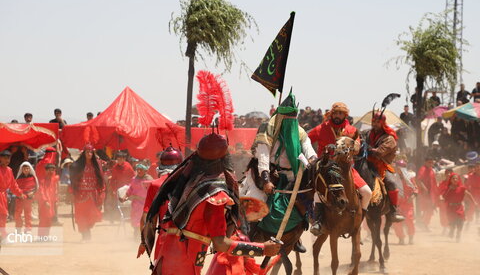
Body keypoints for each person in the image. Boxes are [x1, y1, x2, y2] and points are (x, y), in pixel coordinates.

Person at [145, 132, 281, 275]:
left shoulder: (187, 181)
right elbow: (220, 243)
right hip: (184, 263)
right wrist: (262, 249)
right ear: (224, 159)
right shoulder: (215, 194)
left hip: (165, 255)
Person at [240, 91, 317, 253]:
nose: (291, 122)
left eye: (293, 118)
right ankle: (246, 237)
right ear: (281, 116)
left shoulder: (299, 131)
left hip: (291, 175)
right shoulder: (268, 128)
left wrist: (312, 160)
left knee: (305, 202)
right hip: (265, 172)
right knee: (256, 201)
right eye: (288, 118)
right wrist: (266, 180)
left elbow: (308, 149)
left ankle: (295, 237)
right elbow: (263, 156)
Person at [308, 102, 372, 235]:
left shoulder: (352, 130)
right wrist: (312, 156)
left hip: (347, 170)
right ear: (332, 114)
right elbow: (306, 141)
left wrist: (351, 146)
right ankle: (318, 222)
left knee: (367, 192)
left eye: (340, 113)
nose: (337, 115)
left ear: (345, 115)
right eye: (335, 113)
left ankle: (357, 223)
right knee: (317, 193)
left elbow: (358, 147)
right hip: (326, 170)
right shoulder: (321, 128)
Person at [137, 146, 183, 262]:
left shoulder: (155, 185)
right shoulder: (190, 184)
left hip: (164, 239)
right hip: (187, 242)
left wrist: (144, 243)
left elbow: (146, 218)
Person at [367, 111, 404, 222]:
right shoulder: (367, 133)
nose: (375, 123)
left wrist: (367, 148)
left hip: (382, 166)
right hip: (366, 164)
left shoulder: (390, 138)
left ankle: (394, 211)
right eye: (374, 121)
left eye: (378, 122)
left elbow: (380, 152)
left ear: (383, 122)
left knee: (391, 183)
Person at [70, 144, 105, 241]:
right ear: (83, 153)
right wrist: (72, 191)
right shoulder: (78, 165)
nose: (89, 154)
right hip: (80, 195)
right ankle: (85, 235)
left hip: (92, 195)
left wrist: (101, 193)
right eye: (87, 152)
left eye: (91, 152)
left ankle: (87, 232)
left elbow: (101, 179)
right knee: (81, 216)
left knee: (91, 216)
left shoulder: (97, 165)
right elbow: (73, 179)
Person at [442, 173, 477, 242]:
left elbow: (468, 194)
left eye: (456, 178)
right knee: (452, 222)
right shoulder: (448, 189)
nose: (455, 180)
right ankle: (452, 230)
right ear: (451, 180)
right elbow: (444, 197)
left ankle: (458, 234)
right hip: (450, 208)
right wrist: (448, 190)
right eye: (453, 178)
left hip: (459, 207)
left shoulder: (462, 188)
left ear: (458, 180)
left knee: (461, 221)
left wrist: (474, 202)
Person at [120, 163, 153, 237]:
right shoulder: (134, 179)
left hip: (145, 204)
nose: (139, 171)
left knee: (143, 221)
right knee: (135, 222)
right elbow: (130, 190)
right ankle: (136, 236)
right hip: (135, 205)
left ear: (145, 171)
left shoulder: (149, 180)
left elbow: (152, 193)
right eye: (138, 169)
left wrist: (137, 197)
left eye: (141, 170)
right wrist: (124, 197)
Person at [0, 150, 26, 239]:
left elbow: (13, 184)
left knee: (3, 216)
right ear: (0, 158)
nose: (7, 160)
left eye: (8, 158)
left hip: (3, 197)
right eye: (5, 158)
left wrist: (20, 193)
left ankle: (3, 236)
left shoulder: (9, 170)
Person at [392, 160, 418, 245]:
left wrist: (413, 196)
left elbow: (415, 189)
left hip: (407, 203)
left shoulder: (410, 178)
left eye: (398, 168)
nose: (397, 169)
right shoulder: (394, 177)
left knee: (409, 219)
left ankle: (411, 237)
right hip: (397, 203)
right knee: (396, 221)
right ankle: (401, 238)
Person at [14, 161, 39, 233]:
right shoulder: (18, 178)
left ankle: (28, 229)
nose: (26, 170)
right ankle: (18, 228)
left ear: (30, 169)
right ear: (22, 169)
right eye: (24, 169)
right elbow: (16, 188)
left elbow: (36, 187)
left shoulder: (33, 178)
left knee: (28, 213)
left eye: (27, 168)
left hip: (28, 198)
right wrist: (20, 194)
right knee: (17, 213)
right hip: (20, 198)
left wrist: (32, 193)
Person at [417, 156, 439, 231]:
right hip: (425, 194)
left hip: (432, 193)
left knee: (430, 209)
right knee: (427, 209)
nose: (431, 164)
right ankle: (424, 224)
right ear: (425, 162)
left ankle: (424, 224)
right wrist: (425, 189)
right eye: (429, 162)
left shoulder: (431, 170)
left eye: (432, 162)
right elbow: (419, 180)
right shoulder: (423, 169)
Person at [37, 163, 59, 236]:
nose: (51, 172)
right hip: (44, 204)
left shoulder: (53, 180)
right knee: (43, 220)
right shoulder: (42, 180)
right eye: (49, 170)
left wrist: (56, 200)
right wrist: (45, 201)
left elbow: (55, 191)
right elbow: (41, 191)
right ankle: (41, 236)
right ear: (46, 171)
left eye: (52, 170)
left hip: (51, 204)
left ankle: (46, 236)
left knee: (49, 220)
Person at [438, 168, 454, 235]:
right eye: (447, 173)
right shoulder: (442, 183)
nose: (448, 174)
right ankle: (445, 228)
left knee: (451, 215)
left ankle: (451, 229)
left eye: (450, 173)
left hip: (452, 202)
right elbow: (439, 192)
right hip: (443, 202)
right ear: (445, 174)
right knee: (443, 215)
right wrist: (440, 197)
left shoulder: (455, 183)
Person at [465, 156, 480, 224]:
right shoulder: (471, 176)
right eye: (477, 166)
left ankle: (477, 220)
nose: (478, 168)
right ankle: (468, 222)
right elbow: (467, 186)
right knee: (471, 208)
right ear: (475, 167)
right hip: (473, 193)